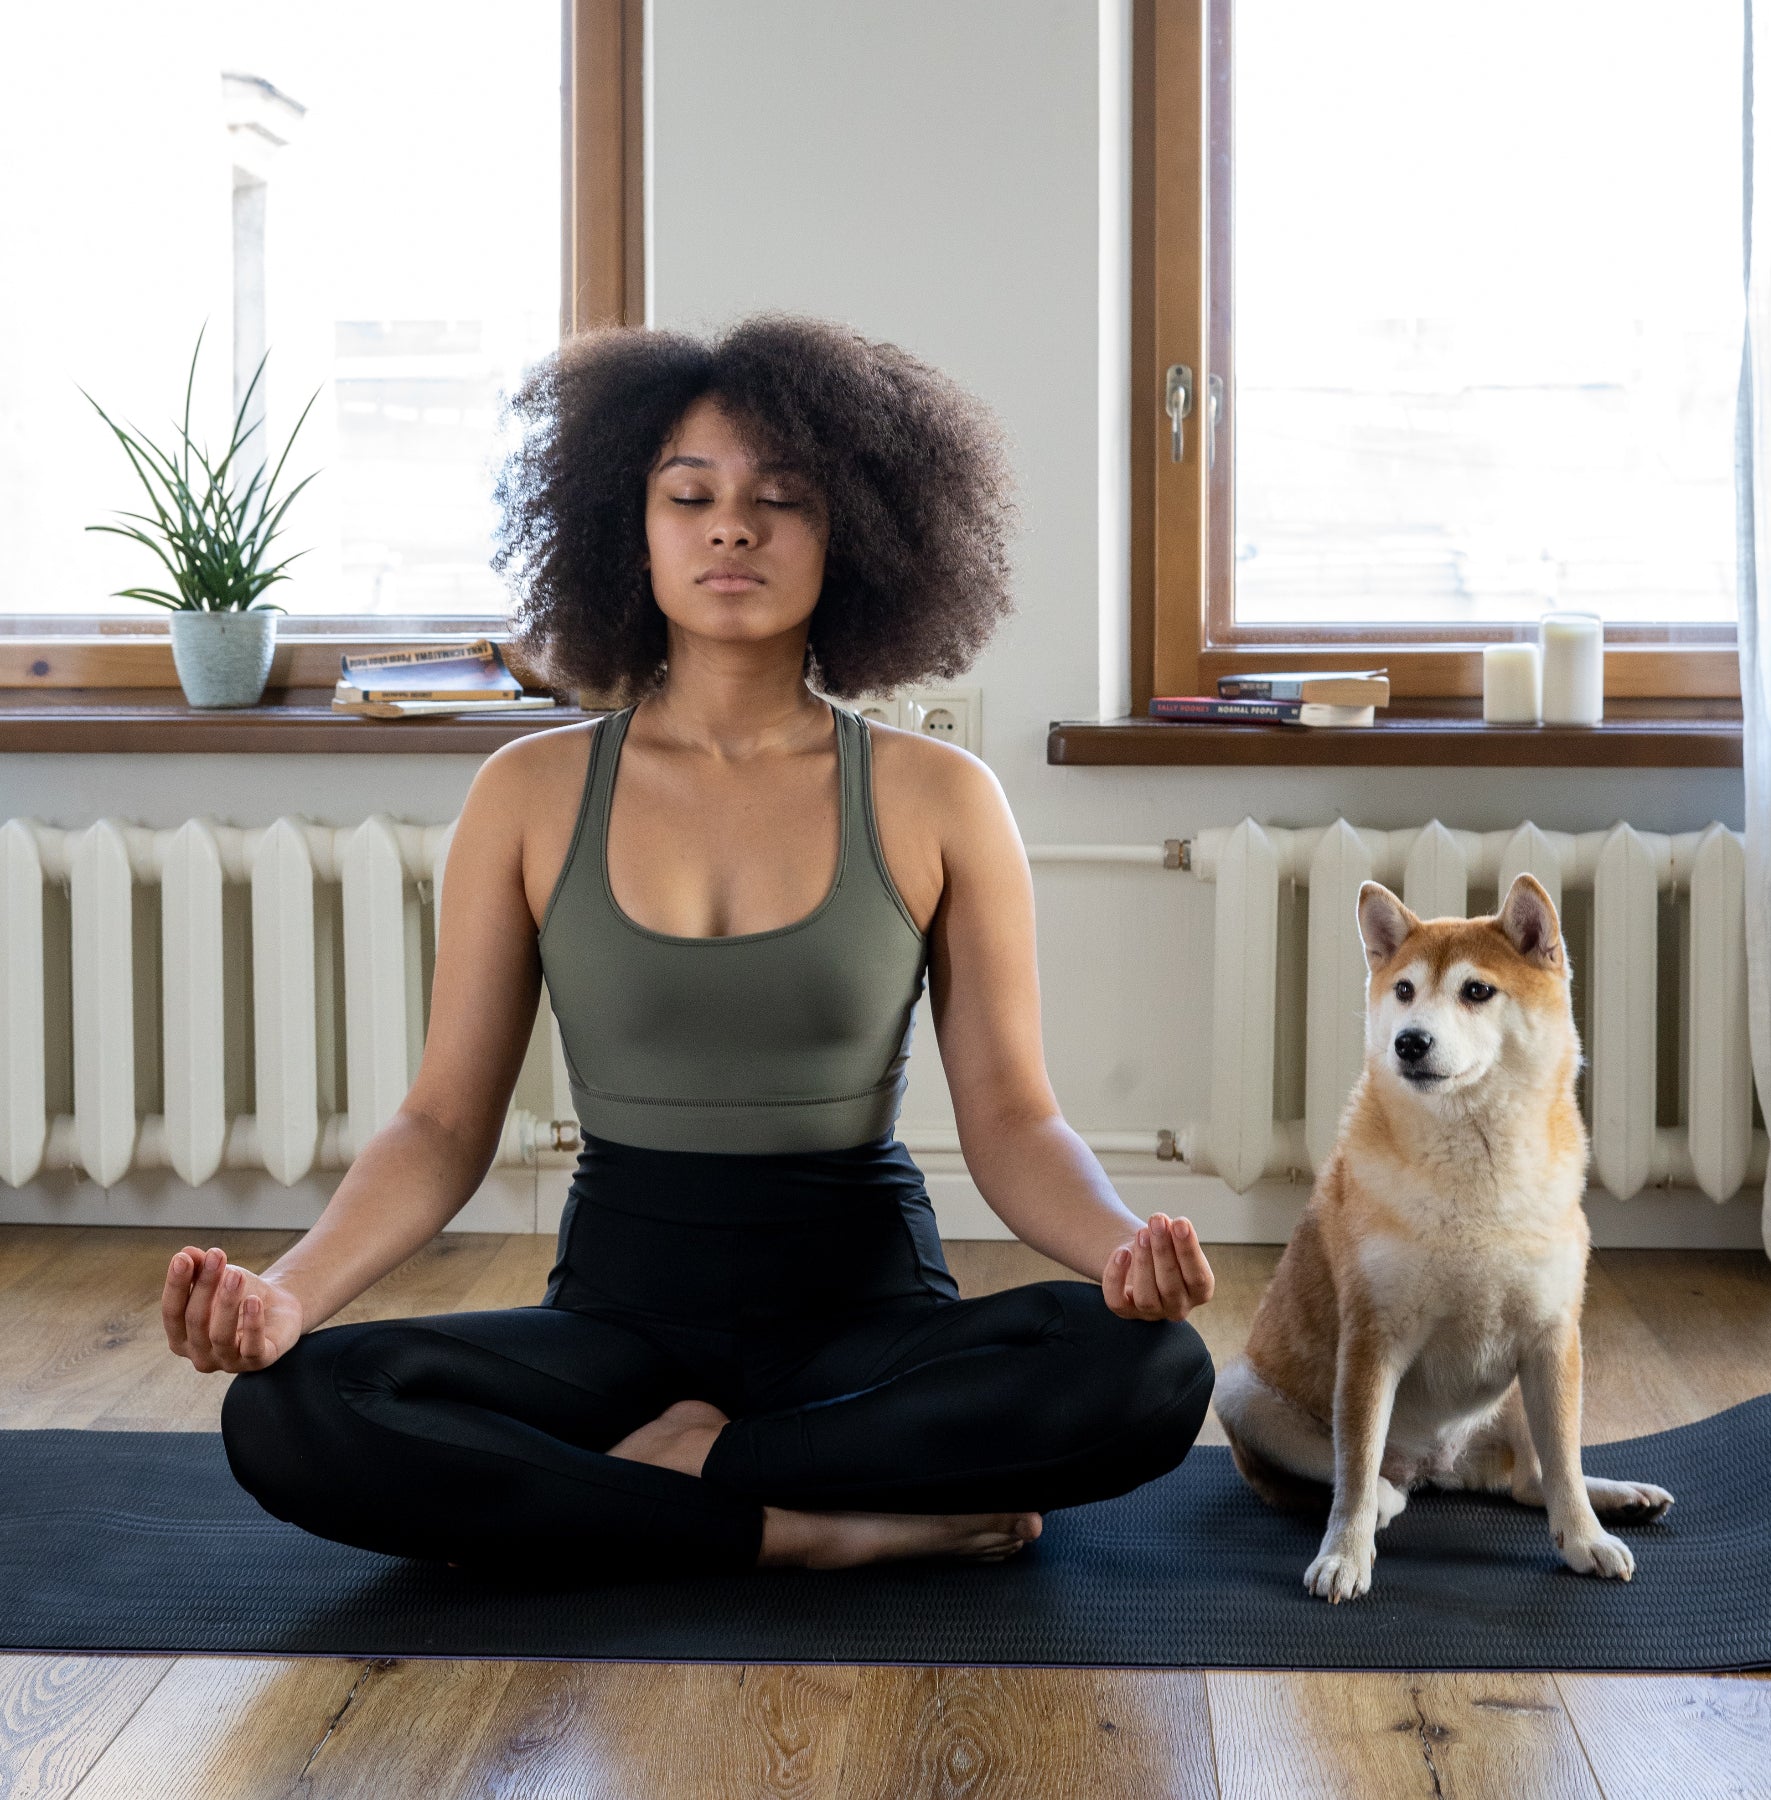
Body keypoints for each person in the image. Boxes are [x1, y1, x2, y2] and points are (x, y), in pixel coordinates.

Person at [162, 313, 1217, 1583]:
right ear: (630, 527)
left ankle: (674, 1482)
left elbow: (1011, 1122)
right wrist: (287, 1295)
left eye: (782, 500)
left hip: (864, 1320)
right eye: (690, 496)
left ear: (859, 536)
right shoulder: (530, 791)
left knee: (1153, 1371)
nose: (733, 528)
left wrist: (1117, 1253)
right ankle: (801, 1522)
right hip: (617, 1322)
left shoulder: (940, 797)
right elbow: (443, 1126)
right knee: (292, 1407)